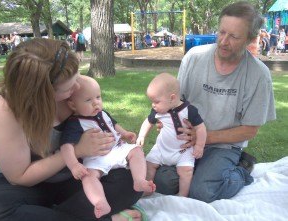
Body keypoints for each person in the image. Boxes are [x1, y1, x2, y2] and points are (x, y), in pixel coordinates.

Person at [0, 38, 146, 221]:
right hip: (29, 187)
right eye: (69, 87)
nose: (78, 87)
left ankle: (49, 214)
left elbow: (104, 125)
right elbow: (19, 177)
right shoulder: (5, 108)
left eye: (76, 78)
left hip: (77, 176)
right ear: (43, 94)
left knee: (129, 181)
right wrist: (76, 150)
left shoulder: (72, 89)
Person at [153, 1, 276, 203]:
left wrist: (203, 138)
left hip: (224, 145)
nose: (224, 41)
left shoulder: (258, 75)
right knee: (163, 182)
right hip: (186, 140)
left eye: (234, 36)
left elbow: (249, 130)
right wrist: (164, 120)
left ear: (250, 40)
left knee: (201, 192)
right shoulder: (194, 57)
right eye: (222, 32)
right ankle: (206, 170)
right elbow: (177, 102)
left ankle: (241, 170)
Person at [60, 75, 155, 218]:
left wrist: (125, 134)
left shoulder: (103, 113)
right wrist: (74, 165)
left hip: (117, 148)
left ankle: (139, 180)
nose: (95, 103)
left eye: (98, 97)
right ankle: (100, 202)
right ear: (73, 105)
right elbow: (66, 146)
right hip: (95, 158)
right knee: (89, 177)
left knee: (136, 150)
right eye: (88, 100)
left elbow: (113, 124)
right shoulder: (75, 122)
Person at [136, 73, 206, 197]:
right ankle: (146, 189)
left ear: (172, 98)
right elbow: (148, 122)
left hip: (183, 150)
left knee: (186, 171)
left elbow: (200, 128)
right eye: (152, 101)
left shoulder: (189, 110)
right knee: (149, 164)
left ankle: (182, 195)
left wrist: (199, 146)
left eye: (156, 101)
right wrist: (141, 136)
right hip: (161, 148)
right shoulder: (157, 111)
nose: (153, 105)